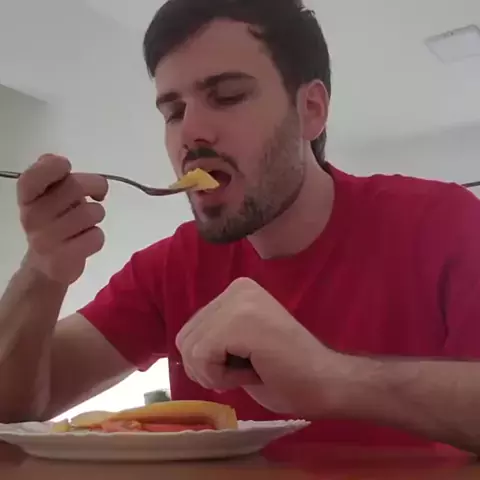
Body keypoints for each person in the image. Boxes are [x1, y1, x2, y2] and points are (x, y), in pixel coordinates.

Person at [1, 0, 480, 458]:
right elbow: (12, 410)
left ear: (311, 110)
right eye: (173, 112)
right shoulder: (169, 268)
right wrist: (42, 270)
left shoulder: (443, 222)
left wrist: (334, 377)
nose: (190, 132)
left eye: (227, 96)